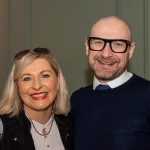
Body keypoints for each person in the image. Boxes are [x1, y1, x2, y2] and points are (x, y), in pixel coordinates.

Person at [70, 16, 150, 150]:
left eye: (118, 44)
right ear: (87, 47)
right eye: (98, 42)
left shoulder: (147, 96)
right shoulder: (77, 99)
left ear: (130, 51)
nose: (106, 54)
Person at [0, 48, 74, 150]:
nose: (37, 85)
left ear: (58, 81)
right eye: (27, 78)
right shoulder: (3, 129)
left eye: (45, 75)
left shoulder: (71, 127)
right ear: (17, 86)